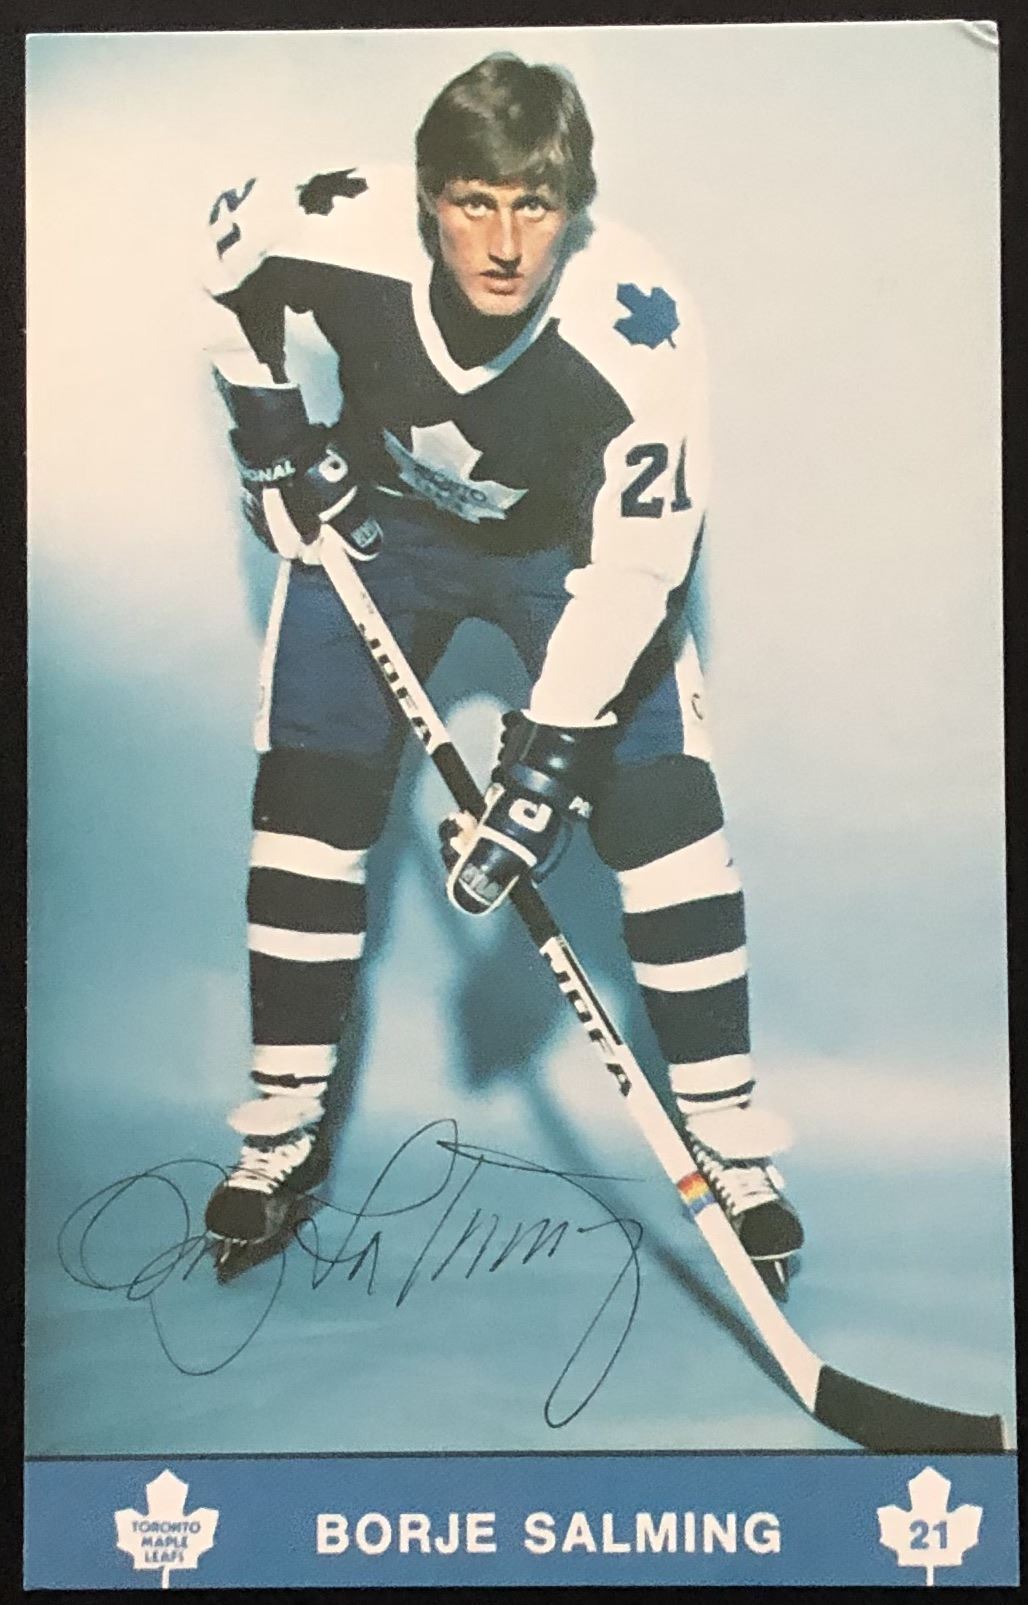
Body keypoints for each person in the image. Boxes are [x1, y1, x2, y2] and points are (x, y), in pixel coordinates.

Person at [200, 52, 804, 1292]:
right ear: (426, 194)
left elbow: (641, 564)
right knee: (306, 815)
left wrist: (544, 762)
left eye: (535, 206)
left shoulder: (639, 321)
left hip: (567, 558)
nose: (504, 242)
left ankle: (730, 1145)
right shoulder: (332, 220)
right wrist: (270, 437)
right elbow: (226, 268)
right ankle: (280, 1132)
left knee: (667, 820)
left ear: (573, 209)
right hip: (381, 532)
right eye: (473, 202)